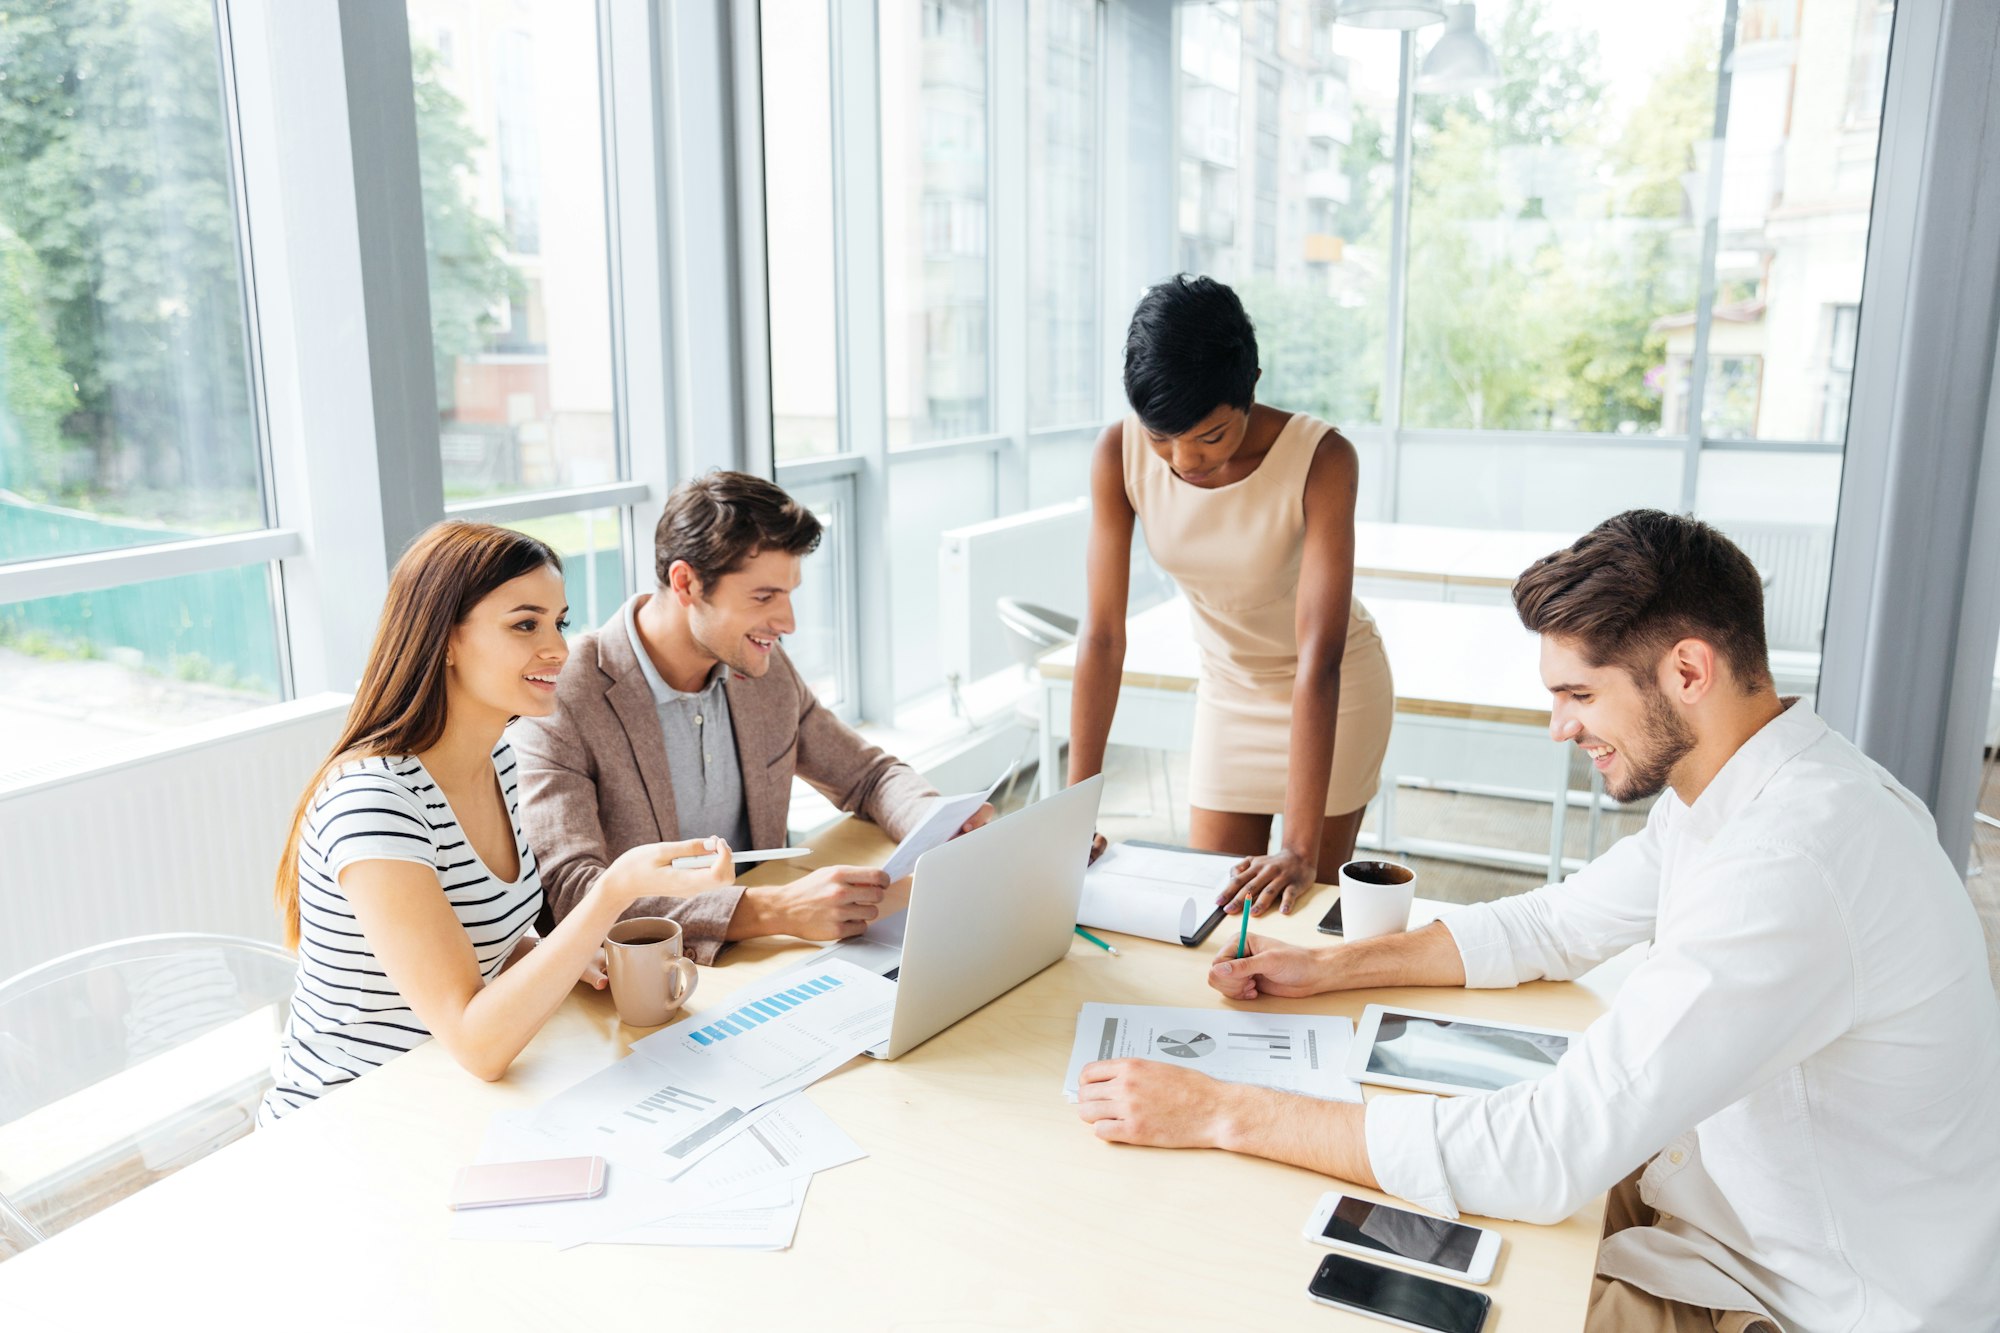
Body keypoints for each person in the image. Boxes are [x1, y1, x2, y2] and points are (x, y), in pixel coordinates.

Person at [1073, 510, 2000, 1332]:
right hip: (1722, 1204)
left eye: (1580, 694)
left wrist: (1224, 1108)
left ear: (1687, 669)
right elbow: (1556, 923)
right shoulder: (1744, 788)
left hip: (1804, 1298)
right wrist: (1332, 967)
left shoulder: (1792, 860)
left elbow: (1548, 1151)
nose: (1560, 727)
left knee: (1317, 1257)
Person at [261, 522, 728, 1123]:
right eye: (525, 624)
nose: (559, 647)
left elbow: (482, 941)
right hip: (348, 1124)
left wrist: (554, 951)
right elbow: (477, 1044)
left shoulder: (496, 758)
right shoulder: (376, 801)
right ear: (446, 639)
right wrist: (614, 891)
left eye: (558, 621)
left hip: (450, 1102)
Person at [514, 471, 991, 964]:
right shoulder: (565, 696)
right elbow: (570, 894)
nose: (788, 623)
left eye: (789, 593)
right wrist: (774, 909)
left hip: (770, 959)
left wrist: (943, 822)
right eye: (764, 597)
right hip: (652, 981)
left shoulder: (758, 666)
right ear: (686, 583)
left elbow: (868, 775)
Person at [1069, 275, 1394, 918]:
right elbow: (1103, 638)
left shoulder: (1322, 458)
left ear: (1251, 386)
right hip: (1228, 692)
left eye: (1210, 437)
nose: (1183, 460)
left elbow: (1318, 653)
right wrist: (1071, 815)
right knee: (1213, 909)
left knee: (1302, 910)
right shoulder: (1118, 453)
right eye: (1162, 438)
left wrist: (1299, 846)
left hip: (1334, 691)